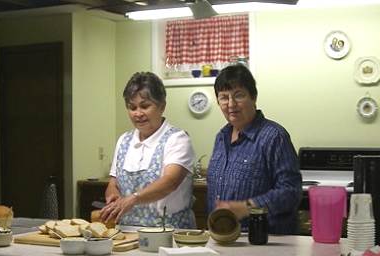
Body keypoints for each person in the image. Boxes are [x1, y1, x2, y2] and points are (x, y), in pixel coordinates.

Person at [207, 64, 302, 235]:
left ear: (254, 97)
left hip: (266, 241)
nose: (231, 104)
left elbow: (291, 192)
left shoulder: (274, 137)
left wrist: (247, 207)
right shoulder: (221, 137)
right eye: (224, 97)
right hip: (224, 239)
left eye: (239, 95)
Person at [100, 72, 196, 229]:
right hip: (126, 232)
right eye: (132, 107)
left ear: (162, 106)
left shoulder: (177, 139)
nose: (138, 113)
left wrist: (133, 198)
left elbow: (170, 182)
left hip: (169, 232)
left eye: (145, 106)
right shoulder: (124, 141)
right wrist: (113, 195)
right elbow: (113, 182)